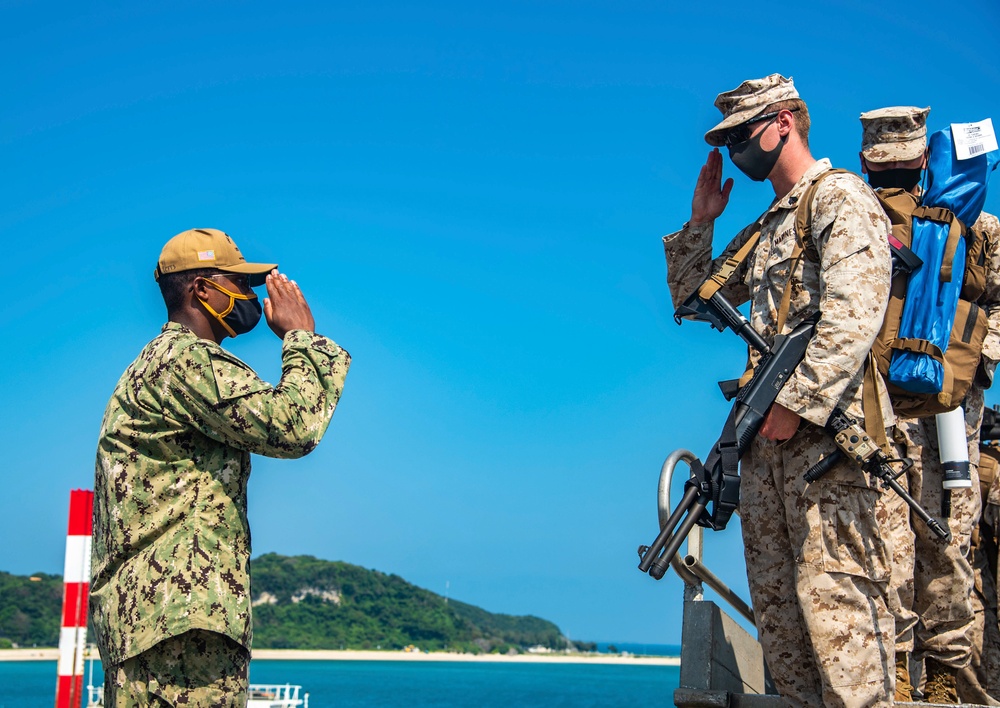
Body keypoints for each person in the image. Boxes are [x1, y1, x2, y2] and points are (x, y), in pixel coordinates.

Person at [663, 74, 895, 706]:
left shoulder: (838, 196)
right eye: (729, 137)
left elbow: (855, 312)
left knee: (839, 619)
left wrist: (795, 403)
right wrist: (700, 222)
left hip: (829, 447)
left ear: (785, 121)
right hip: (767, 448)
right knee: (781, 624)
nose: (737, 146)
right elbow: (694, 297)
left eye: (744, 131)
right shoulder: (770, 226)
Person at [90, 228, 351, 706]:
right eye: (239, 283)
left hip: (152, 619)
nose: (250, 296)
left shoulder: (152, 365)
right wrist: (301, 339)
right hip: (183, 617)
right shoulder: (186, 361)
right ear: (201, 289)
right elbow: (292, 427)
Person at [859, 106, 1000, 704]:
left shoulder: (970, 226)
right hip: (912, 402)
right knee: (917, 535)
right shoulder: (860, 218)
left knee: (917, 536)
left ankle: (922, 673)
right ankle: (918, 672)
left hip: (916, 405)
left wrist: (969, 363)